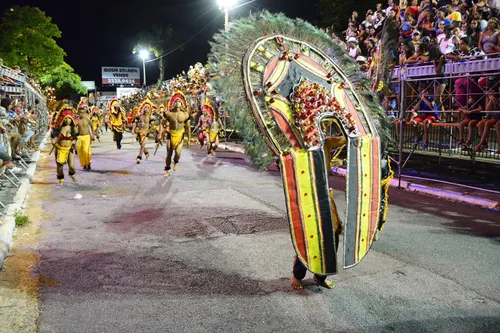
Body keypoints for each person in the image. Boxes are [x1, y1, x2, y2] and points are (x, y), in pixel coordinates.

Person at [159, 92, 191, 177]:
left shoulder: (186, 114)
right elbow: (162, 124)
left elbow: (188, 128)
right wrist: (160, 135)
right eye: (176, 102)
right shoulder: (168, 113)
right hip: (171, 134)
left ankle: (176, 162)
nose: (177, 103)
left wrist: (189, 139)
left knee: (177, 153)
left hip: (180, 135)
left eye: (179, 102)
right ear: (173, 103)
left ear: (182, 103)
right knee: (168, 154)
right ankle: (167, 169)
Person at [51, 106, 78, 185]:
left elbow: (76, 137)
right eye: (66, 118)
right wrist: (53, 141)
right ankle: (61, 178)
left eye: (69, 118)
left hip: (69, 149)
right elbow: (53, 137)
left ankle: (71, 173)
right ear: (63, 119)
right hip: (59, 149)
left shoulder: (74, 129)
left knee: (72, 166)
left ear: (72, 119)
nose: (67, 120)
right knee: (59, 167)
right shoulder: (58, 128)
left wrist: (74, 141)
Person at [132, 99, 155, 164]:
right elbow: (134, 123)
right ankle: (147, 153)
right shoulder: (139, 116)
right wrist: (133, 129)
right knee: (142, 145)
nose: (146, 108)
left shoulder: (151, 118)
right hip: (139, 133)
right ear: (143, 108)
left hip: (146, 133)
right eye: (145, 107)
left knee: (142, 145)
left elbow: (152, 126)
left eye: (148, 107)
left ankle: (139, 157)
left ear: (149, 109)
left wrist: (148, 131)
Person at [76, 102, 94, 170]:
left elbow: (92, 126)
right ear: (78, 113)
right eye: (80, 112)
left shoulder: (87, 119)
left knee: (86, 151)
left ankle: (88, 163)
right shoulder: (77, 120)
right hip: (80, 137)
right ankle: (84, 164)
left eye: (83, 112)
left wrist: (93, 135)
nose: (81, 114)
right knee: (80, 152)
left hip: (87, 136)